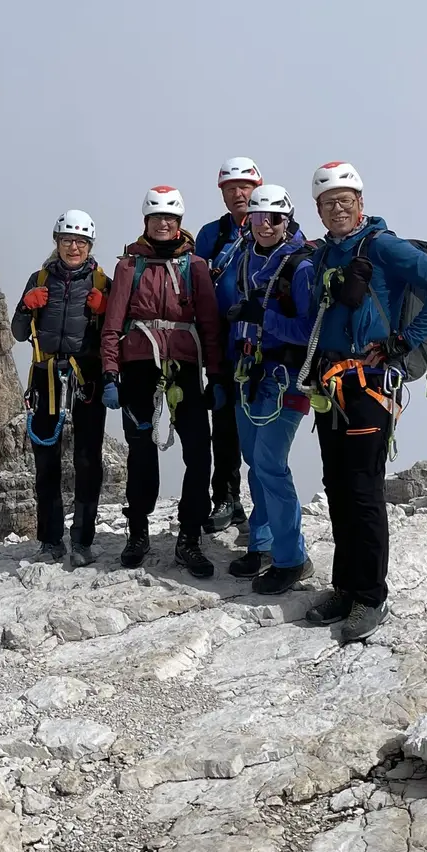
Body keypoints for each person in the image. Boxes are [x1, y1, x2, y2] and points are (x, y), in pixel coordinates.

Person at [297, 161, 427, 643]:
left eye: (345, 201)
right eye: (329, 203)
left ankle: (371, 596)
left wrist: (405, 340)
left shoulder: (382, 245)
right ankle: (346, 588)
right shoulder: (324, 254)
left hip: (371, 384)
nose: (338, 209)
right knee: (336, 485)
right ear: (318, 210)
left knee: (362, 489)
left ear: (360, 203)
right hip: (333, 385)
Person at [100, 186, 225, 577]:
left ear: (179, 222)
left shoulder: (196, 266)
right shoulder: (128, 266)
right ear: (146, 221)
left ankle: (189, 535)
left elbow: (210, 325)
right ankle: (138, 530)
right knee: (140, 450)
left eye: (169, 218)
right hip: (139, 365)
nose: (163, 224)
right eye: (157, 218)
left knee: (198, 451)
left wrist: (216, 376)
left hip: (184, 366)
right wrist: (110, 373)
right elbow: (113, 324)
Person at [216, 183, 315, 594]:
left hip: (285, 377)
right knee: (254, 462)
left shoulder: (301, 266)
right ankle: (263, 544)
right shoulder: (244, 257)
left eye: (274, 218)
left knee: (270, 463)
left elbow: (309, 331)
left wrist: (264, 318)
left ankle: (292, 559)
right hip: (248, 373)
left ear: (287, 219)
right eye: (258, 217)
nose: (266, 225)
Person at [10, 210, 110, 566]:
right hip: (46, 375)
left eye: (81, 242)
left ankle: (82, 541)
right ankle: (50, 540)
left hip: (87, 376)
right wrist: (26, 307)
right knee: (46, 461)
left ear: (90, 246)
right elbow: (18, 332)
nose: (74, 248)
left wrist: (105, 309)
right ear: (57, 242)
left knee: (87, 459)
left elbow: (115, 334)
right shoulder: (39, 280)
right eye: (68, 240)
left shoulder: (102, 283)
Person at [196, 158, 263, 533]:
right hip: (224, 344)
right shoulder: (212, 234)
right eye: (231, 188)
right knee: (223, 424)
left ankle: (264, 505)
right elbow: (197, 285)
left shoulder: (276, 225)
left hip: (264, 345)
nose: (239, 193)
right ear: (222, 193)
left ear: (257, 188)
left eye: (245, 186)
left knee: (262, 427)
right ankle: (226, 498)